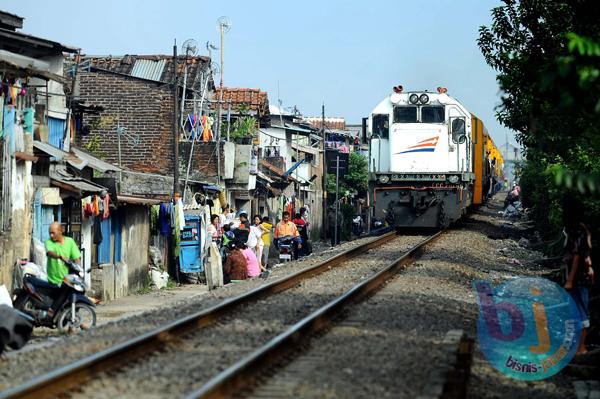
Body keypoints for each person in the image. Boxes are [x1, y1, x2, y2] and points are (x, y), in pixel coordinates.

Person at [563, 197, 595, 355]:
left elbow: (577, 255)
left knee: (580, 311)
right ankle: (578, 347)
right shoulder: (583, 229)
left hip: (577, 278)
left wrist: (569, 280)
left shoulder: (577, 230)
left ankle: (581, 348)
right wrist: (590, 269)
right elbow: (587, 255)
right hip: (582, 275)